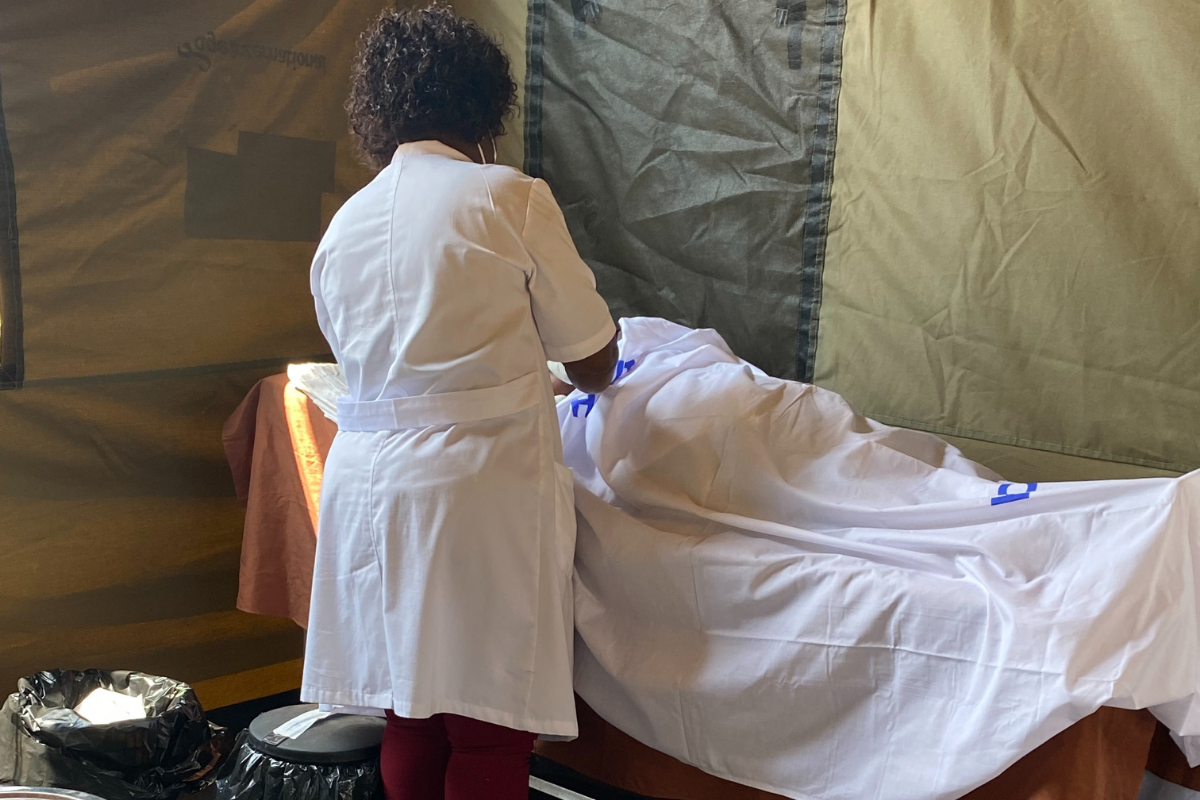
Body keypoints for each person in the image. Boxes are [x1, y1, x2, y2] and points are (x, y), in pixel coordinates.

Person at [299, 6, 618, 800]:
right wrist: (539, 371)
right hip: (476, 487)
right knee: (486, 721)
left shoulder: (342, 228)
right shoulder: (507, 196)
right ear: (482, 104)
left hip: (369, 491)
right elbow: (596, 360)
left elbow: (390, 366)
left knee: (412, 710)